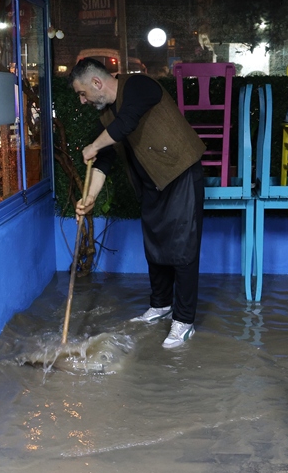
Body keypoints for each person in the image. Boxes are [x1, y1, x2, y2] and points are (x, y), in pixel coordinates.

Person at [70, 57, 205, 349]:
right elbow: (103, 161)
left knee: (182, 249)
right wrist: (89, 198)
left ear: (96, 82)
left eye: (82, 93)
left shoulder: (138, 85)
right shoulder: (107, 116)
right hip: (151, 183)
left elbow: (126, 123)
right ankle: (161, 305)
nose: (82, 100)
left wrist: (93, 145)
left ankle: (184, 321)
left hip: (180, 173)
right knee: (155, 246)